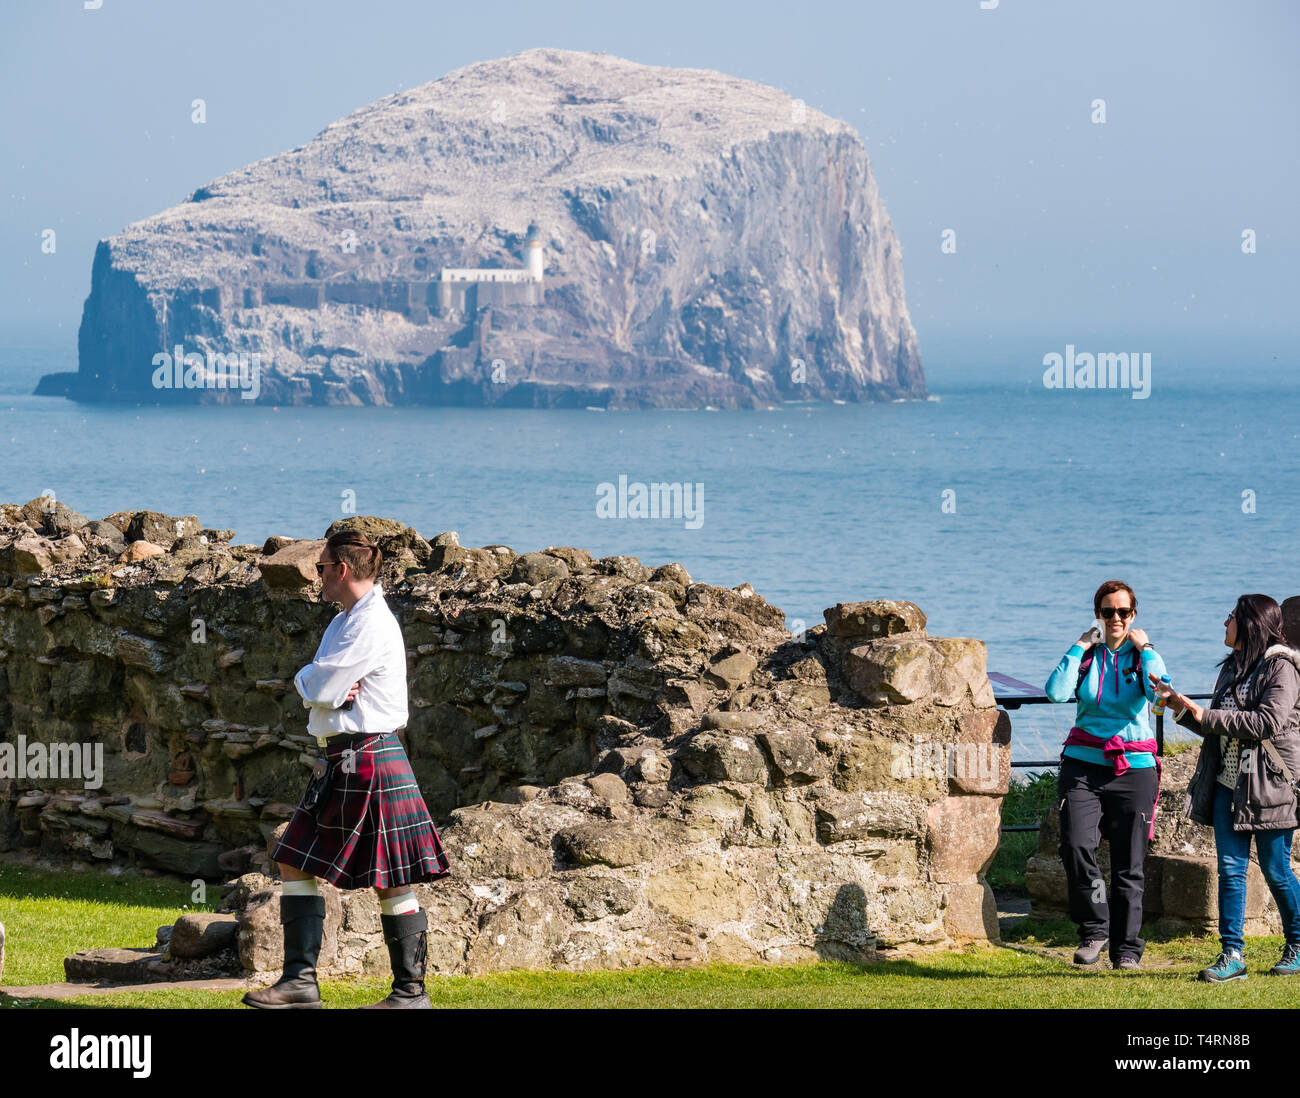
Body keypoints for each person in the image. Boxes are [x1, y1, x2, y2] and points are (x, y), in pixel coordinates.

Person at [242, 529, 450, 1009]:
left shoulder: (370, 623)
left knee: (393, 876)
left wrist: (318, 684)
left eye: (320, 568)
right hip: (343, 757)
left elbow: (322, 686)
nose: (316, 576)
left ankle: (409, 992)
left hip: (369, 756)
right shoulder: (344, 620)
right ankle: (301, 982)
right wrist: (314, 682)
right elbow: (318, 682)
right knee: (293, 855)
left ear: (340, 570)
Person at [1155, 594, 1300, 982]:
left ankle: (1298, 943)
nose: (1225, 624)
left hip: (1270, 785)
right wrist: (1181, 708)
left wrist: (1206, 713)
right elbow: (1216, 724)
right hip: (1227, 785)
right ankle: (1232, 956)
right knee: (1231, 871)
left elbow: (1266, 722)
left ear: (1251, 624)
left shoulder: (1282, 668)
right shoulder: (1232, 667)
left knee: (1276, 870)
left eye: (1231, 617)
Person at [1045, 579, 1167, 970]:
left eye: (1123, 612)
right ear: (1097, 614)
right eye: (1108, 611)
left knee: (1130, 862)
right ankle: (1096, 928)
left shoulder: (1141, 656)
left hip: (1135, 768)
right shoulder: (1088, 656)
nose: (1116, 618)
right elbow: (1055, 692)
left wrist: (1145, 648)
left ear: (1134, 616)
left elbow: (1160, 694)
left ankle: (1127, 949)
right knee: (1077, 845)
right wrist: (1080, 644)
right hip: (1083, 764)